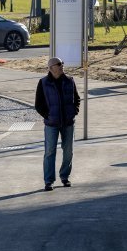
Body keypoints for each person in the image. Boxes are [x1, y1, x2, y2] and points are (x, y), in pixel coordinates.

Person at [34, 57, 80, 191]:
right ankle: (49, 181)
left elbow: (76, 98)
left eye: (62, 64)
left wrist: (74, 111)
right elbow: (38, 104)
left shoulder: (70, 81)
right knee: (49, 152)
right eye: (58, 64)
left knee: (68, 152)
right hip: (51, 124)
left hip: (68, 123)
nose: (61, 66)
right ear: (51, 68)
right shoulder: (43, 83)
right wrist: (47, 116)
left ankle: (64, 177)